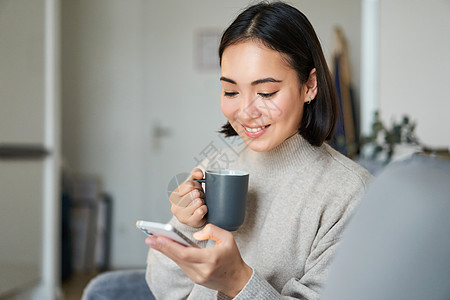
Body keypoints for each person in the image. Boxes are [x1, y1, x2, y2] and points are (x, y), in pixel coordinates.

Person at [145, 2, 372, 299]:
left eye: (266, 92)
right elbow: (164, 291)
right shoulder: (217, 163)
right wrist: (187, 227)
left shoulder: (349, 193)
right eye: (230, 92)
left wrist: (238, 281)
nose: (246, 111)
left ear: (310, 85)